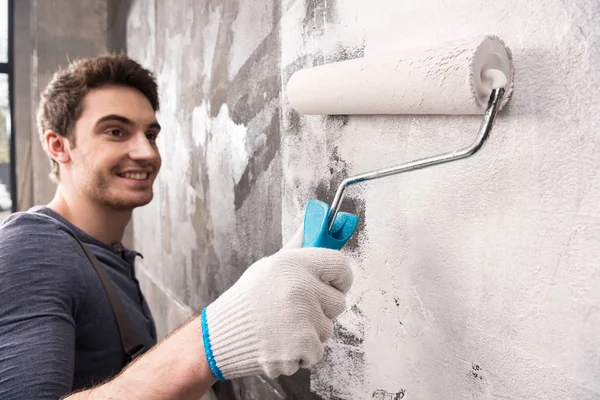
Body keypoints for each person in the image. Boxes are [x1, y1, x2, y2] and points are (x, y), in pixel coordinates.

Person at [0, 55, 353, 399]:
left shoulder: (105, 252)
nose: (146, 152)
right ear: (58, 145)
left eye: (150, 134)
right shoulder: (30, 248)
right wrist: (212, 341)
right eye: (116, 131)